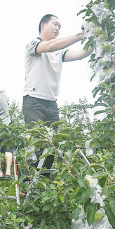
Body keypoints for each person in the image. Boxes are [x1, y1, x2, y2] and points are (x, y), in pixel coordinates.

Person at [23, 14, 93, 171]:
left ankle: (43, 186)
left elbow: (81, 54)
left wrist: (95, 40)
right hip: (33, 101)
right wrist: (80, 35)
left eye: (60, 27)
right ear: (43, 25)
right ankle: (29, 186)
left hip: (52, 104)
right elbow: (49, 46)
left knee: (51, 148)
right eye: (55, 24)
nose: (57, 28)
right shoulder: (33, 44)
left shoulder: (59, 52)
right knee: (38, 144)